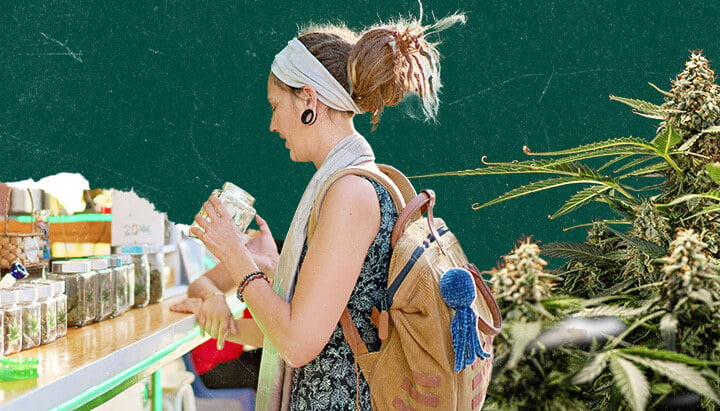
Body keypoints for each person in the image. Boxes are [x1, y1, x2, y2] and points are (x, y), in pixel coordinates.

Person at [171, 12, 465, 410]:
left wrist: (237, 260)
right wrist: (253, 292)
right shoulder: (357, 181)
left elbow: (297, 344)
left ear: (308, 100)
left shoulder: (349, 193)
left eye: (276, 106)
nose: (273, 124)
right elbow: (325, 334)